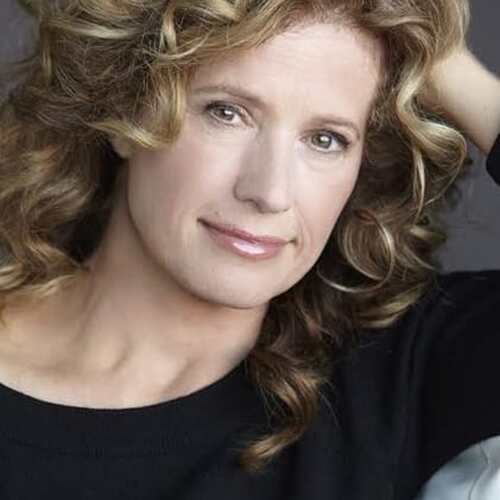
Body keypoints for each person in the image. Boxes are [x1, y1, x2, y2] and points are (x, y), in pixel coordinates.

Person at [0, 0, 498, 499]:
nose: (270, 192)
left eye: (326, 139)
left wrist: (439, 56)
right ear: (126, 109)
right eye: (227, 113)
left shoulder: (399, 369)